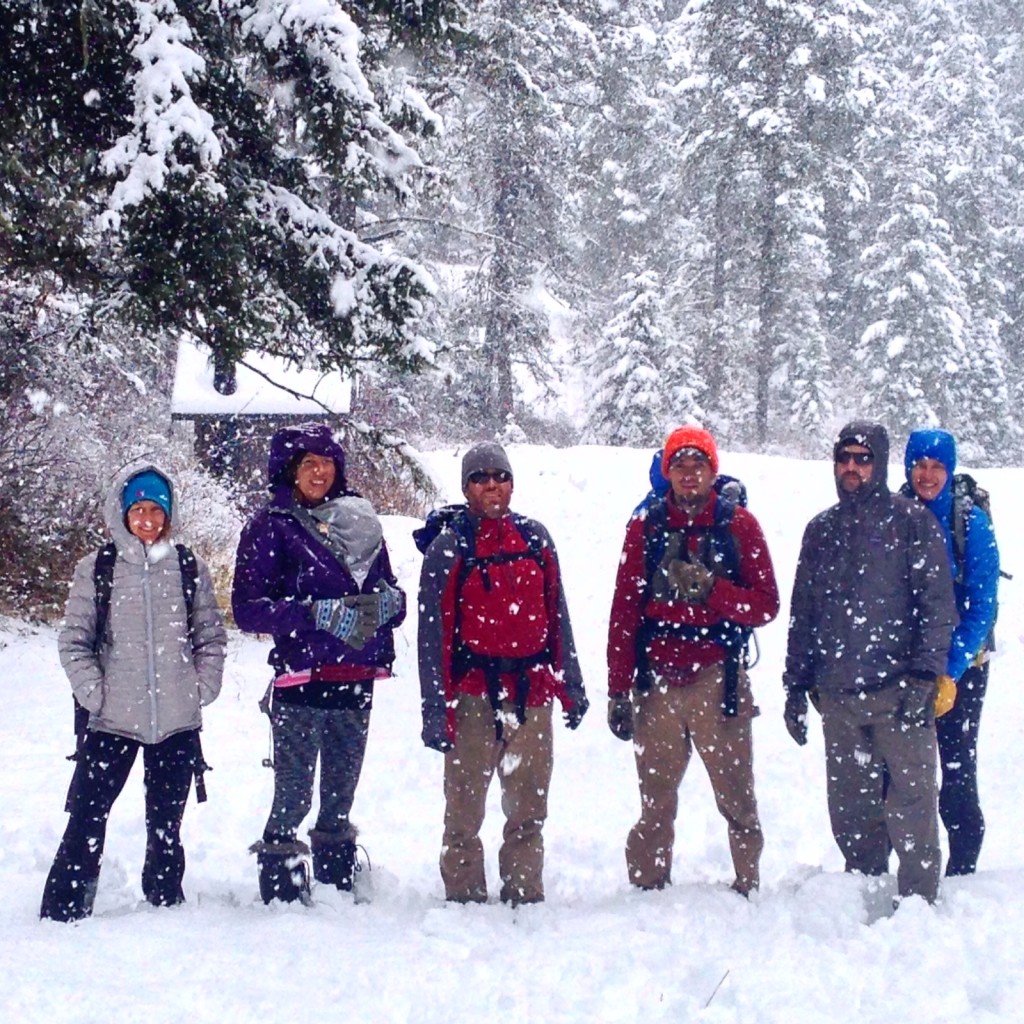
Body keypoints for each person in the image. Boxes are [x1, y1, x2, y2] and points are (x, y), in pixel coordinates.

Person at [40, 464, 226, 922]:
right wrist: (95, 695)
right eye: (138, 509)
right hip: (112, 719)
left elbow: (210, 635)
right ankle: (65, 907)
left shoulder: (187, 566)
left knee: (167, 824)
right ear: (122, 513)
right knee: (87, 816)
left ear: (169, 514)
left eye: (155, 510)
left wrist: (202, 686)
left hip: (177, 720)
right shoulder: (98, 567)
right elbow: (74, 643)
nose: (146, 519)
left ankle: (165, 901)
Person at [783, 421, 957, 903]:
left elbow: (937, 607)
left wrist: (925, 675)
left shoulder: (912, 522)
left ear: (879, 465)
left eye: (863, 459)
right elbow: (805, 612)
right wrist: (795, 686)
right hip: (838, 697)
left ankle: (920, 905)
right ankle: (862, 896)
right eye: (845, 459)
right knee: (852, 808)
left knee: (914, 804)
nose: (853, 467)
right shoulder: (820, 530)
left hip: (899, 691)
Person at [232, 423, 406, 904]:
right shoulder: (271, 525)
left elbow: (390, 589)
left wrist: (390, 605)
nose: (319, 471)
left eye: (326, 462)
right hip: (301, 679)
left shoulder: (361, 520)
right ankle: (283, 887)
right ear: (289, 470)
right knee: (293, 795)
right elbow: (247, 608)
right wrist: (313, 614)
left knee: (339, 795)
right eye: (308, 463)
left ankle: (335, 879)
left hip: (357, 675)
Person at [606, 425, 779, 896]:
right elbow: (625, 610)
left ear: (711, 470)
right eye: (678, 465)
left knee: (737, 795)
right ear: (666, 472)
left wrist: (711, 590)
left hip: (717, 677)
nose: (688, 474)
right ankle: (647, 885)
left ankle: (749, 884)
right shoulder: (645, 528)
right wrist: (617, 688)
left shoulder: (739, 526)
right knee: (655, 799)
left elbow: (766, 603)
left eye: (697, 464)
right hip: (656, 679)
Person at [416, 441, 588, 906]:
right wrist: (435, 707)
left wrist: (570, 680)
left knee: (529, 806)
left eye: (500, 476)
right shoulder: (449, 548)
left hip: (532, 693)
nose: (492, 485)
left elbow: (558, 614)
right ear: (466, 488)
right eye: (480, 477)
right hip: (472, 694)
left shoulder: (535, 538)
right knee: (464, 809)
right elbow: (432, 636)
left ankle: (524, 891)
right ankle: (464, 896)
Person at [902, 428, 1000, 876]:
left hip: (961, 667)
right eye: (919, 465)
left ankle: (964, 868)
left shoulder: (970, 523)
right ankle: (898, 865)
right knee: (898, 769)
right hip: (906, 665)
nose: (927, 475)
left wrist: (950, 669)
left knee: (956, 766)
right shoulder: (897, 512)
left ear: (950, 469)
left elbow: (983, 606)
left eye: (937, 466)